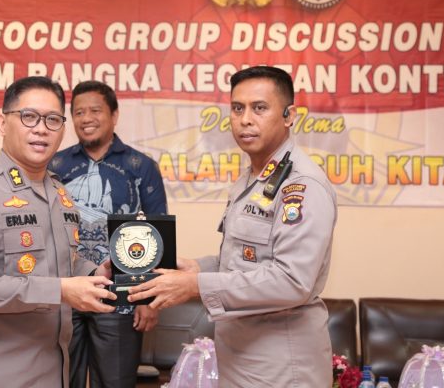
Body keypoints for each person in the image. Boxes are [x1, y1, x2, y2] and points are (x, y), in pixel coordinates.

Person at [128, 65, 337, 387]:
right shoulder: (254, 178)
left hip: (281, 363)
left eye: (260, 108)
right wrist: (197, 267)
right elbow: (249, 258)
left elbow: (293, 280)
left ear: (289, 115)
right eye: (238, 108)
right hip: (240, 355)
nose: (245, 119)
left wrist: (197, 286)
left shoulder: (301, 185)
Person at [0, 76, 117, 388]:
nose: (41, 128)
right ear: (2, 123)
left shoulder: (60, 194)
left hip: (52, 371)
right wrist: (60, 291)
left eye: (52, 119)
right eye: (29, 116)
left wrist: (100, 271)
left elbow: (62, 262)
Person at [49, 81, 168, 388]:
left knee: (115, 381)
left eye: (95, 110)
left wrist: (148, 300)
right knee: (60, 380)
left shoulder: (140, 166)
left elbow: (156, 235)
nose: (86, 118)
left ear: (114, 115)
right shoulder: (55, 165)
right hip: (65, 295)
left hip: (123, 297)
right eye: (78, 112)